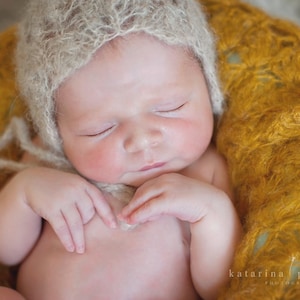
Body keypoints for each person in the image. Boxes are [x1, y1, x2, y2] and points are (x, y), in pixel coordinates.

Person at [0, 0, 242, 299]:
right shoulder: (48, 162)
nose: (141, 141)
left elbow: (220, 286)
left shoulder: (206, 172)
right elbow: (6, 252)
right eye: (100, 129)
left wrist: (211, 212)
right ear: (57, 132)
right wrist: (25, 193)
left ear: (207, 88)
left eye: (171, 107)